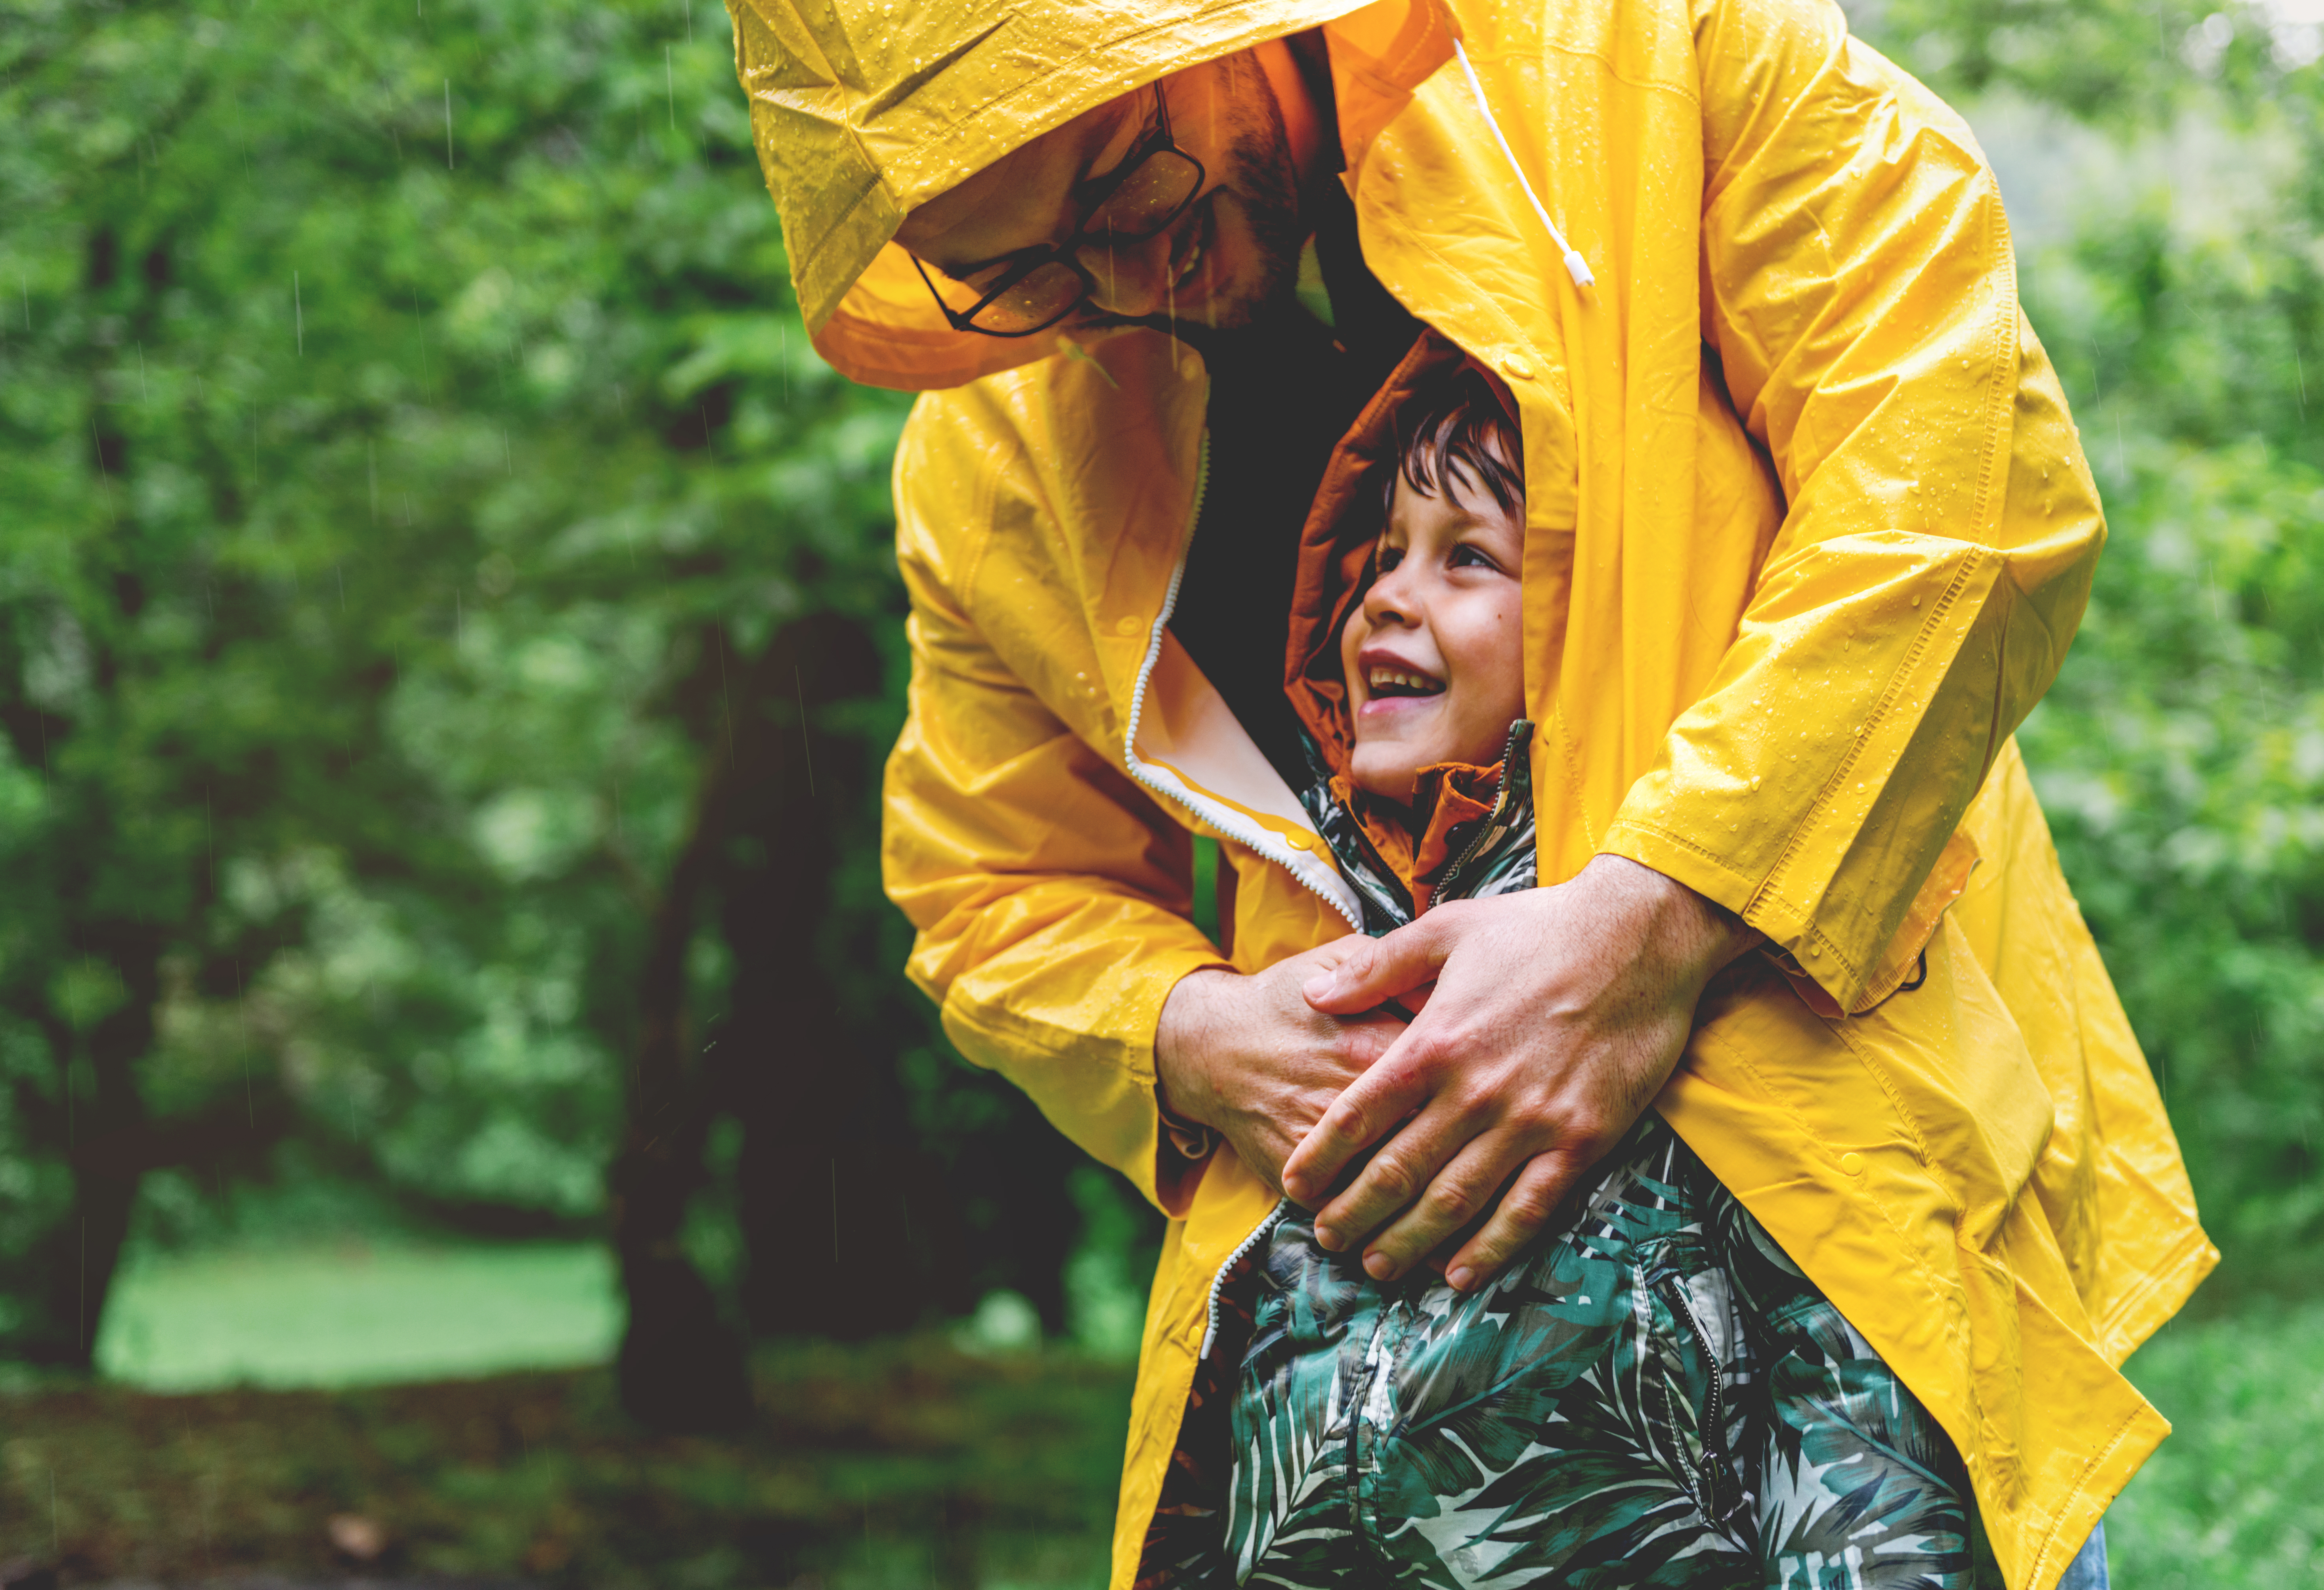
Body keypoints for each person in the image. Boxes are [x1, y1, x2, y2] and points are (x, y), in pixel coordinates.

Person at [724, 2, 2215, 1586]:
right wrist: (1185, 1034)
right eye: (1013, 274)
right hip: (1357, 1416)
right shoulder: (997, 462)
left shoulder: (1649, 51)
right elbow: (990, 888)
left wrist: (1657, 923)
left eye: (1121, 185)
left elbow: (1961, 480)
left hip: (1841, 1297)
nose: (1116, 281)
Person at [1149, 338, 1996, 1588]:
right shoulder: (1310, 954)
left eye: (1467, 558)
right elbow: (1235, 1399)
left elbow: (1858, 1408)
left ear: (1589, 629)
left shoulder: (1702, 980)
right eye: (1380, 554)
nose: (1384, 596)